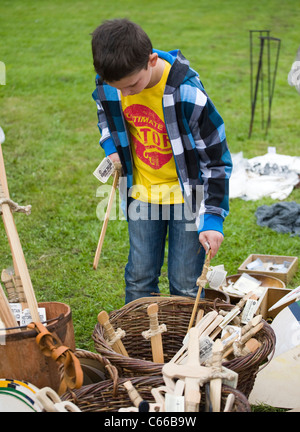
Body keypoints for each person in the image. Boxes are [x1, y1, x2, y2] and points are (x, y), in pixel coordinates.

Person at [91, 18, 232, 303]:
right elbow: (104, 110)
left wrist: (213, 218)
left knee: (185, 284)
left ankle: (186, 345)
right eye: (119, 88)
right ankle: (138, 343)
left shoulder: (188, 95)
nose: (126, 94)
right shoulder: (112, 83)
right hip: (142, 194)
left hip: (186, 198)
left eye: (132, 85)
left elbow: (216, 163)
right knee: (139, 278)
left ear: (151, 60)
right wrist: (110, 144)